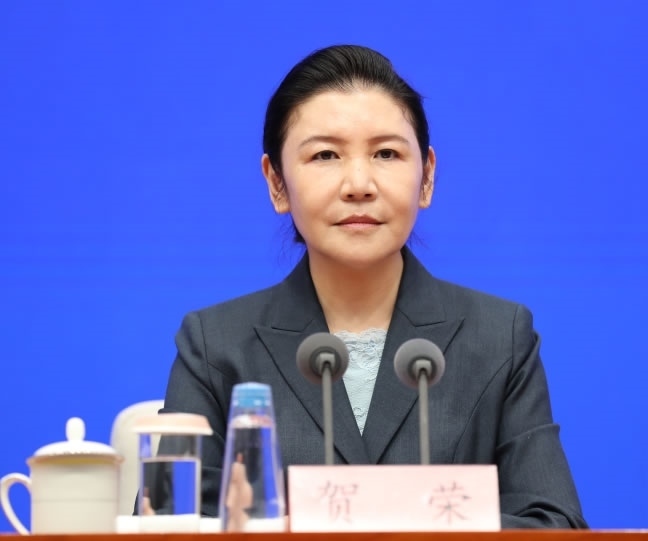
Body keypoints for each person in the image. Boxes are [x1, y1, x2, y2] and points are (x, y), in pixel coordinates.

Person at [161, 44, 587, 528]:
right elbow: (166, 525)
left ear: (426, 177)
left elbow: (555, 525)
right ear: (277, 183)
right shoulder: (215, 345)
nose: (359, 183)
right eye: (325, 155)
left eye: (386, 153)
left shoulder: (499, 338)